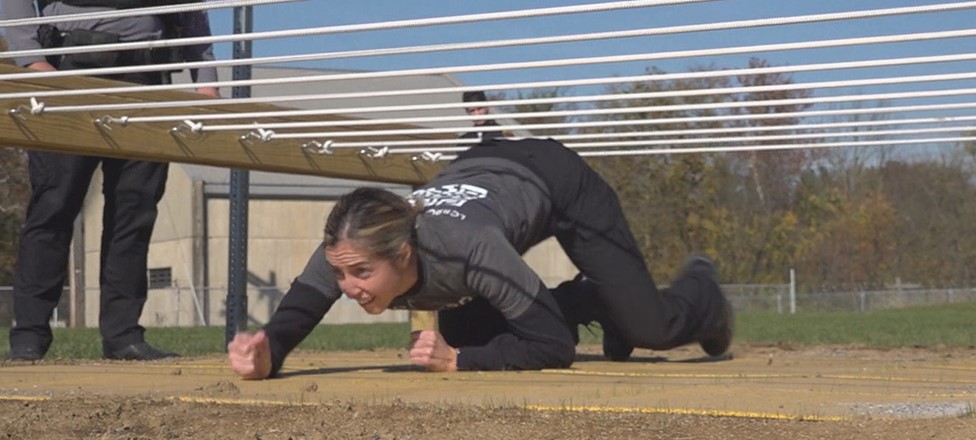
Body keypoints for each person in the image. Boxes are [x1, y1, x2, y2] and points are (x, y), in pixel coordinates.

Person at [228, 137, 733, 379]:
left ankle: (703, 290)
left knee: (652, 329)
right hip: (479, 166)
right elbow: (304, 303)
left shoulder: (469, 248)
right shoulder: (354, 237)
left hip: (558, 181)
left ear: (404, 254)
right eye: (341, 272)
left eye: (362, 274)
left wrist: (461, 362)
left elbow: (554, 348)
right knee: (469, 330)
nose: (349, 286)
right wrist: (269, 349)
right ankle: (588, 300)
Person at [2, 0, 220, 361]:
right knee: (53, 208)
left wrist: (206, 80)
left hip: (148, 77)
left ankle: (123, 335)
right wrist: (35, 65)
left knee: (134, 213)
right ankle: (29, 336)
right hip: (67, 69)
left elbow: (191, 10)